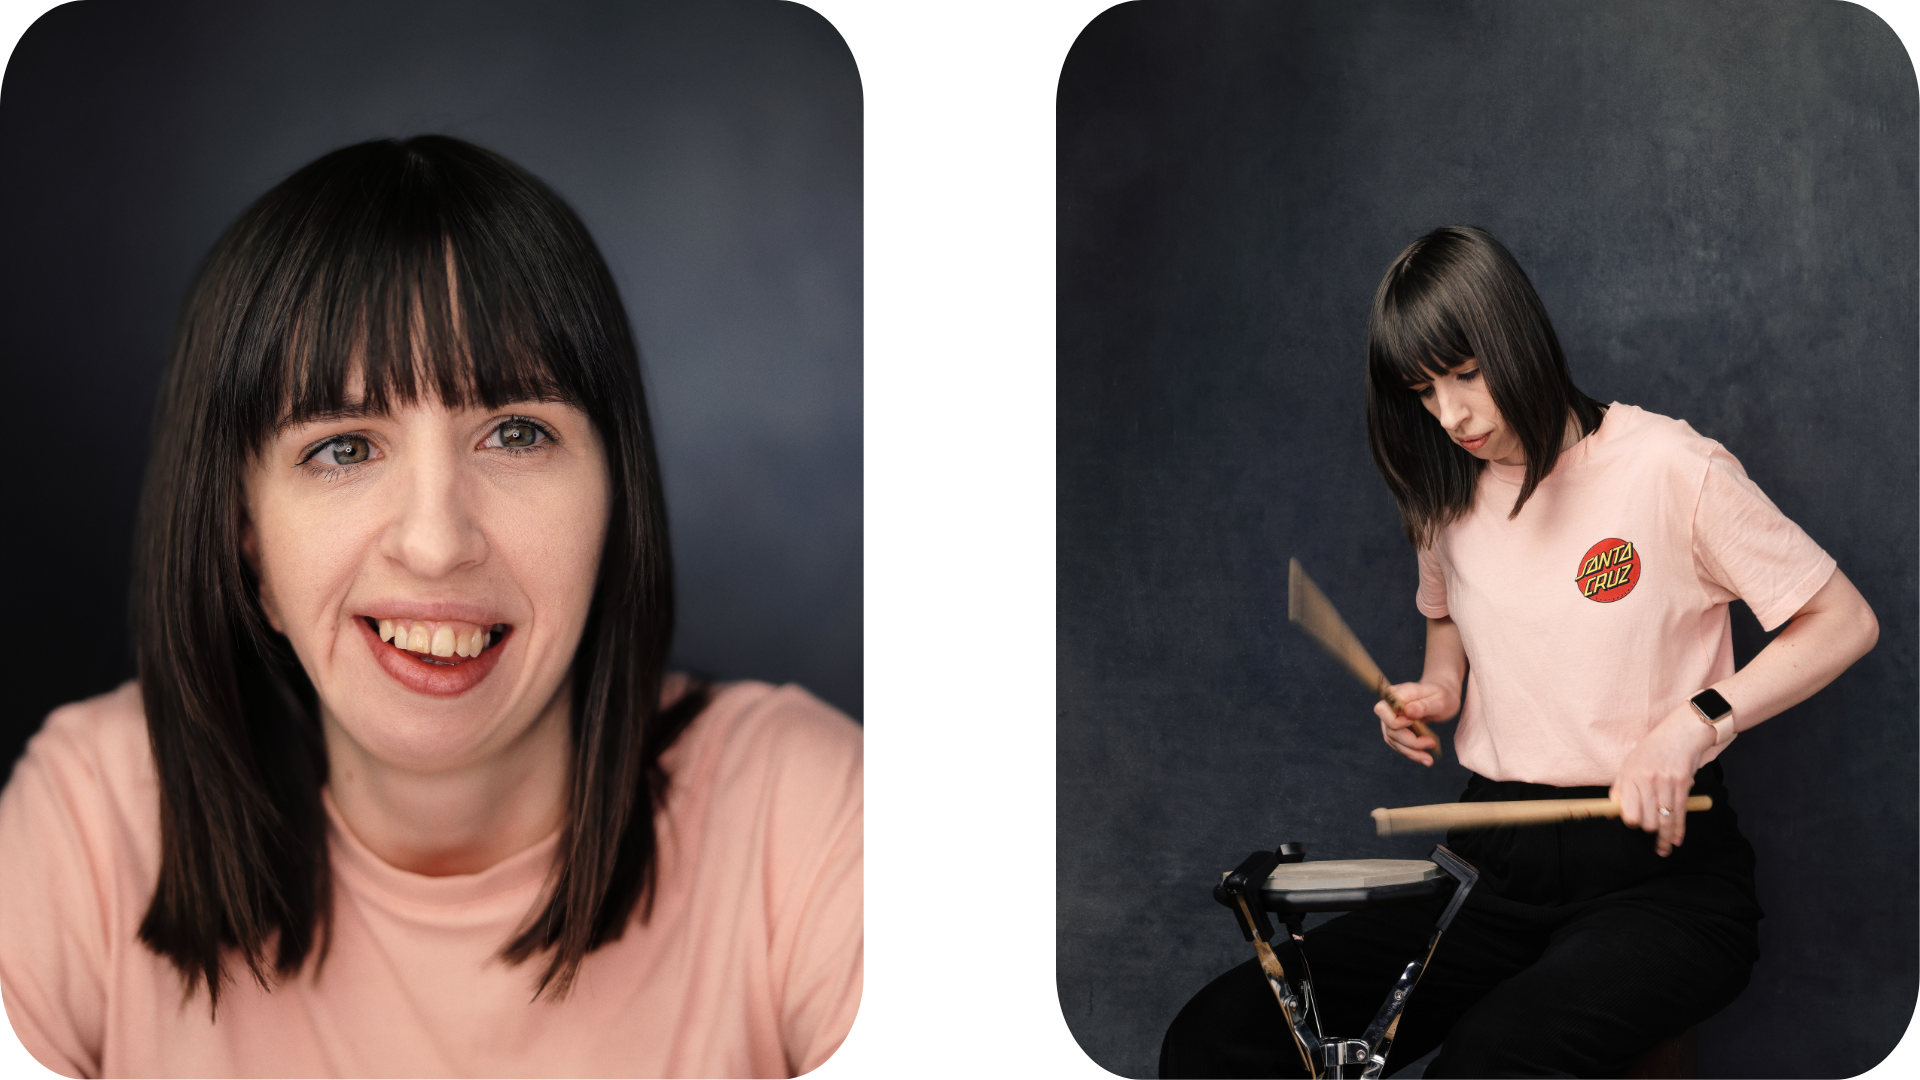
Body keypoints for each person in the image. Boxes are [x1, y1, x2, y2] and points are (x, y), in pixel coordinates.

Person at [0, 136, 862, 1078]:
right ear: (246, 541)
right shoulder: (92, 822)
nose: (437, 539)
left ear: (617, 503)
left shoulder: (806, 817)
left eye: (517, 432)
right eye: (343, 448)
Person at [1160, 225, 1877, 1077]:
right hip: (1490, 866)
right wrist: (1435, 689)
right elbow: (1450, 618)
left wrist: (1695, 725)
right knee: (1220, 1034)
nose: (1451, 414)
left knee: (1491, 1059)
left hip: (1655, 871)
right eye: (1424, 391)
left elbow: (1843, 620)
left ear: (1519, 337)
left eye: (1466, 374)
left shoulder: (1670, 467)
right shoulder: (1448, 492)